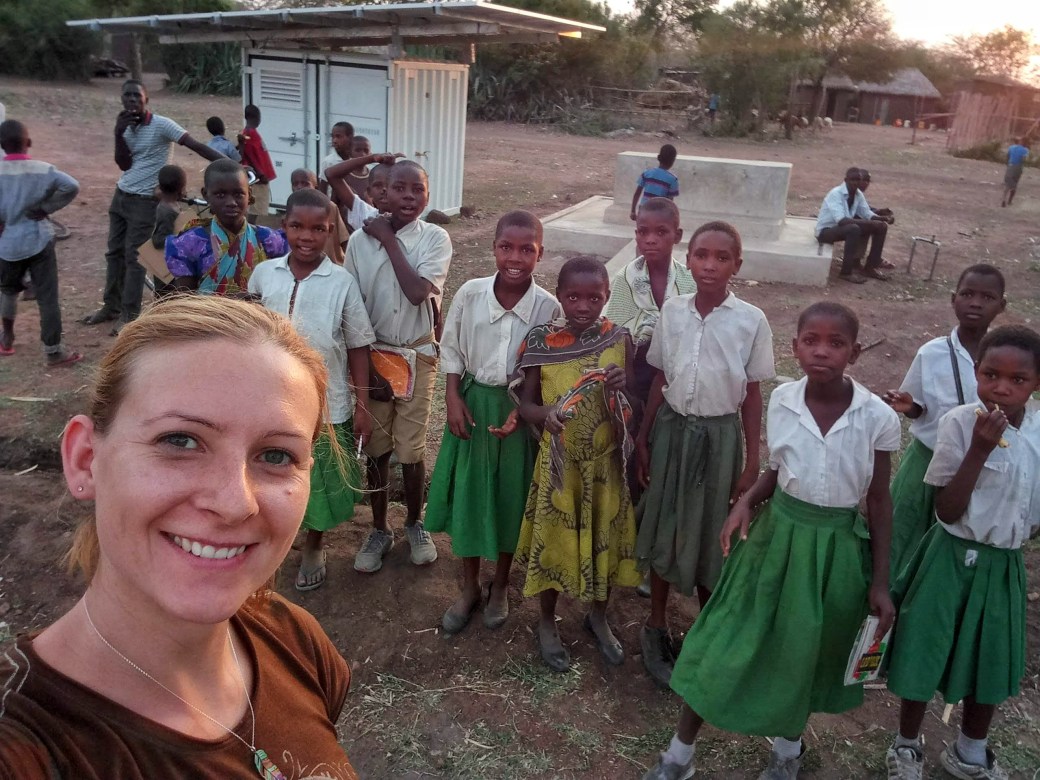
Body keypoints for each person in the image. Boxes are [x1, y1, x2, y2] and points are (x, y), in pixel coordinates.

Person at [0, 296, 360, 779]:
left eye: (276, 456)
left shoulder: (291, 639)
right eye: (180, 441)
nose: (236, 503)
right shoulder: (27, 746)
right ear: (86, 459)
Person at [643, 302, 899, 780]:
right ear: (795, 346)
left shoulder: (878, 417)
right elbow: (777, 471)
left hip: (835, 550)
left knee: (804, 649)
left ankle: (787, 751)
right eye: (811, 341)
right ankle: (678, 755)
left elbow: (880, 501)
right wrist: (746, 503)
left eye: (836, 343)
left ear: (855, 352)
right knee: (727, 637)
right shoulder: (784, 401)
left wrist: (879, 582)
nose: (821, 351)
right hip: (775, 539)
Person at [884, 325, 1040, 780]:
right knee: (923, 647)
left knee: (988, 656)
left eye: (1019, 380)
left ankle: (971, 749)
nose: (1003, 389)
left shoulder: (1037, 433)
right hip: (949, 555)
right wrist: (979, 449)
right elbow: (947, 509)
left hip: (1002, 561)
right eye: (991, 375)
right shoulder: (958, 422)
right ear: (976, 372)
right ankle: (906, 745)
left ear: (1036, 382)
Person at [634, 221, 775, 689]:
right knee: (664, 520)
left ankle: (706, 631)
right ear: (687, 259)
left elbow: (752, 396)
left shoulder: (750, 320)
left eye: (721, 257)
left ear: (738, 264)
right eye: (701, 255)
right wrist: (644, 437)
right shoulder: (672, 311)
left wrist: (751, 463)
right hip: (672, 431)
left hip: (719, 441)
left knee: (713, 531)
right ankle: (656, 625)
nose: (709, 265)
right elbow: (659, 378)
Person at [426, 210, 559, 635]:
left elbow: (542, 366)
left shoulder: (548, 306)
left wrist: (523, 409)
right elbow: (451, 349)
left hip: (518, 410)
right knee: (470, 493)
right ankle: (468, 586)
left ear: (540, 253)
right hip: (473, 403)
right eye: (506, 247)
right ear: (494, 247)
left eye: (527, 249)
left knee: (508, 498)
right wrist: (451, 397)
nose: (515, 257)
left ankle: (500, 584)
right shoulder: (470, 293)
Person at [513, 255, 641, 672]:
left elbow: (634, 403)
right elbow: (526, 404)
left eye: (594, 297)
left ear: (607, 297)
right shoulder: (541, 342)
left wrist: (623, 387)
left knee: (605, 543)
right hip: (560, 466)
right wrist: (546, 415)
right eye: (573, 297)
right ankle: (547, 621)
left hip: (605, 469)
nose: (583, 306)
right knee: (552, 545)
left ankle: (598, 617)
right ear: (560, 295)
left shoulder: (618, 339)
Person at [249, 188, 374, 592]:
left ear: (330, 232)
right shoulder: (265, 274)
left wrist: (363, 405)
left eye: (318, 229)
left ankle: (314, 545)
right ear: (283, 226)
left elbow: (357, 346)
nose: (306, 236)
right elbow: (248, 332)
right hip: (265, 398)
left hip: (325, 401)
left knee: (317, 477)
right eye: (297, 226)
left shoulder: (342, 283)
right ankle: (269, 542)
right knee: (266, 472)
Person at [344, 160, 452, 573]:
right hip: (373, 354)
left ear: (427, 195)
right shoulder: (357, 241)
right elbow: (352, 309)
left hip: (417, 354)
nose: (409, 197)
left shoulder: (435, 238)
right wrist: (367, 372)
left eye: (418, 190)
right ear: (381, 193)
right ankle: (378, 528)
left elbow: (416, 293)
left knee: (412, 446)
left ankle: (413, 521)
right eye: (399, 189)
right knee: (376, 446)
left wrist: (389, 240)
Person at [882, 264, 1006, 583]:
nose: (975, 303)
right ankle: (886, 608)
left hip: (977, 467)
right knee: (902, 538)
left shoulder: (1006, 360)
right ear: (953, 300)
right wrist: (910, 407)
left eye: (987, 297)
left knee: (952, 544)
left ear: (1001, 306)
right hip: (925, 463)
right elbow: (920, 408)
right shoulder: (932, 353)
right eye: (967, 294)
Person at [81, 79, 225, 334]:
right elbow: (124, 164)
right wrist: (118, 133)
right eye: (127, 96)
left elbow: (195, 145)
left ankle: (129, 315)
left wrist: (230, 165)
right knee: (114, 253)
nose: (132, 100)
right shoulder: (124, 125)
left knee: (135, 258)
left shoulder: (162, 125)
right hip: (121, 195)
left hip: (145, 202)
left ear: (147, 99)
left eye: (137, 95)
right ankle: (110, 306)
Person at [0, 119, 81, 366]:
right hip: (39, 238)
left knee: (8, 291)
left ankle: (7, 338)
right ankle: (53, 351)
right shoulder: (43, 169)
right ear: (29, 143)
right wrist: (46, 207)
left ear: (1, 146)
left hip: (7, 244)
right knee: (47, 297)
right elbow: (72, 186)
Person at [165, 159, 286, 297]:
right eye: (220, 195)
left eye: (238, 194)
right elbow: (186, 301)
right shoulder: (190, 243)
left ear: (249, 194)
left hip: (255, 318)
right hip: (206, 317)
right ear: (205, 194)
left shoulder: (269, 241)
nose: (231, 203)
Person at [815, 167, 893, 284]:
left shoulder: (858, 194)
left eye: (858, 180)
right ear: (846, 180)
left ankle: (871, 267)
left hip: (842, 229)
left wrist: (884, 219)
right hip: (826, 232)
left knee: (881, 227)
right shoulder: (836, 193)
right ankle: (846, 272)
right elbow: (842, 221)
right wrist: (871, 222)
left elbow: (867, 213)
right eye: (852, 180)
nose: (855, 183)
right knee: (853, 228)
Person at [326, 153, 402, 232]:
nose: (384, 189)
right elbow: (331, 174)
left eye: (390, 184)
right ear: (369, 191)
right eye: (378, 185)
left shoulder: (410, 221)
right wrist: (372, 158)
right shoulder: (365, 214)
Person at [290, 168, 350, 264]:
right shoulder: (292, 208)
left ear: (315, 187)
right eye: (295, 184)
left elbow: (344, 240)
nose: (299, 187)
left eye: (305, 183)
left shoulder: (329, 207)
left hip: (332, 265)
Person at [145, 164, 187, 299]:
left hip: (170, 262)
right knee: (166, 297)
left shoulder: (169, 203)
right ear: (181, 189)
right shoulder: (167, 211)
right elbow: (158, 240)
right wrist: (181, 236)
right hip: (165, 265)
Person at [237, 104, 277, 218]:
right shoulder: (250, 133)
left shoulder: (248, 132)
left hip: (258, 175)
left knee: (255, 209)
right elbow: (248, 154)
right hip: (258, 177)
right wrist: (260, 173)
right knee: (255, 209)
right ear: (257, 117)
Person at [857, 170, 895, 270]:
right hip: (842, 223)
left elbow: (864, 209)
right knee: (878, 226)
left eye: (868, 181)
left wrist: (879, 211)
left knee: (876, 225)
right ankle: (872, 262)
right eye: (865, 181)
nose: (867, 184)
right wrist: (881, 216)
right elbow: (860, 213)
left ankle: (872, 260)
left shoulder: (858, 193)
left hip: (850, 221)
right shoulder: (852, 192)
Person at [630, 144, 680, 220]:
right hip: (659, 214)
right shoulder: (672, 179)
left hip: (643, 211)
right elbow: (669, 202)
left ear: (659, 157)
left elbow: (637, 193)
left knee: (642, 231)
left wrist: (633, 211)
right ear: (673, 161)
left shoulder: (647, 173)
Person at [1001, 137, 1029, 207]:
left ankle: (1003, 199)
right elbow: (1023, 160)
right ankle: (1010, 201)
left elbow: (1007, 156)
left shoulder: (1011, 147)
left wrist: (1008, 164)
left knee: (1007, 184)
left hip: (1010, 166)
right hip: (1018, 167)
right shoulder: (1025, 150)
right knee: (1015, 184)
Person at [346, 135, 373, 205]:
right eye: (358, 150)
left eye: (366, 151)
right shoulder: (344, 175)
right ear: (349, 152)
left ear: (370, 153)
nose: (362, 154)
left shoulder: (373, 176)